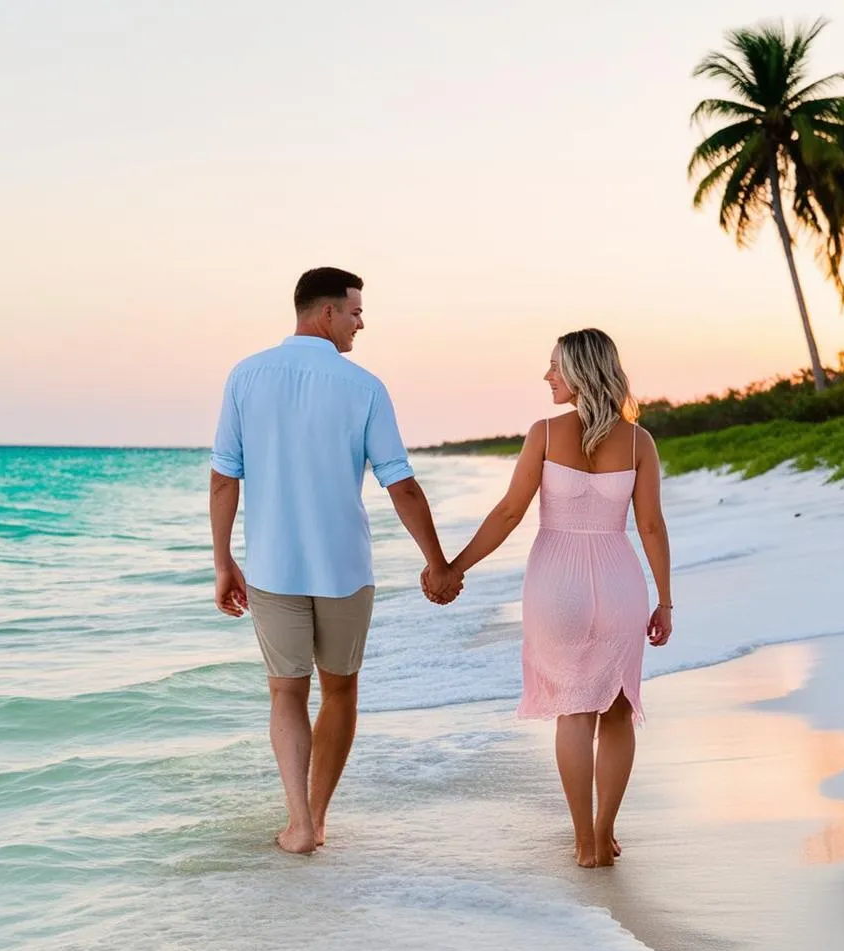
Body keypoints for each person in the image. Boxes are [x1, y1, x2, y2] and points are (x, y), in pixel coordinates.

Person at [210, 267, 462, 855]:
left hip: (272, 567)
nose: (360, 323)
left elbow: (225, 479)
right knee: (340, 693)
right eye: (355, 313)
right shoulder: (364, 386)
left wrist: (224, 561)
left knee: (285, 694)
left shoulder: (245, 376)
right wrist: (438, 563)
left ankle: (297, 823)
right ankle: (318, 818)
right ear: (325, 313)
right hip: (345, 569)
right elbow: (399, 483)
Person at [433, 328, 672, 868]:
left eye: (555, 367)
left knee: (573, 713)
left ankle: (584, 839)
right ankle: (606, 834)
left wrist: (453, 568)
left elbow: (509, 513)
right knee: (615, 711)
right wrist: (666, 601)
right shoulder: (640, 442)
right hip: (618, 583)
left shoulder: (544, 432)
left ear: (581, 373)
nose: (547, 377)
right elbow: (651, 526)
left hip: (555, 585)